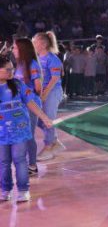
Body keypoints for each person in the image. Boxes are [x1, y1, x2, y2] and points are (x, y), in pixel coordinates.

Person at [0, 55, 53, 202]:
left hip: (20, 131)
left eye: (12, 68)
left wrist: (44, 117)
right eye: (7, 69)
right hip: (1, 134)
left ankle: (23, 190)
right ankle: (5, 189)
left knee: (19, 159)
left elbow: (31, 103)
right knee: (3, 162)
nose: (11, 71)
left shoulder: (18, 84)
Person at [12, 39, 42, 176]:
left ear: (22, 49)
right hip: (20, 106)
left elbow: (38, 87)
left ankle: (33, 165)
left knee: (29, 135)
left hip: (30, 105)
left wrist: (28, 95)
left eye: (15, 48)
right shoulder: (19, 65)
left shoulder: (32, 64)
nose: (13, 50)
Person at [33, 31, 64, 162]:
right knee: (39, 119)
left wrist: (45, 94)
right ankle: (55, 141)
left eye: (35, 41)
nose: (33, 43)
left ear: (44, 44)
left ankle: (48, 146)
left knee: (48, 119)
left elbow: (55, 78)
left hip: (52, 91)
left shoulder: (53, 59)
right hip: (42, 93)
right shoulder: (37, 58)